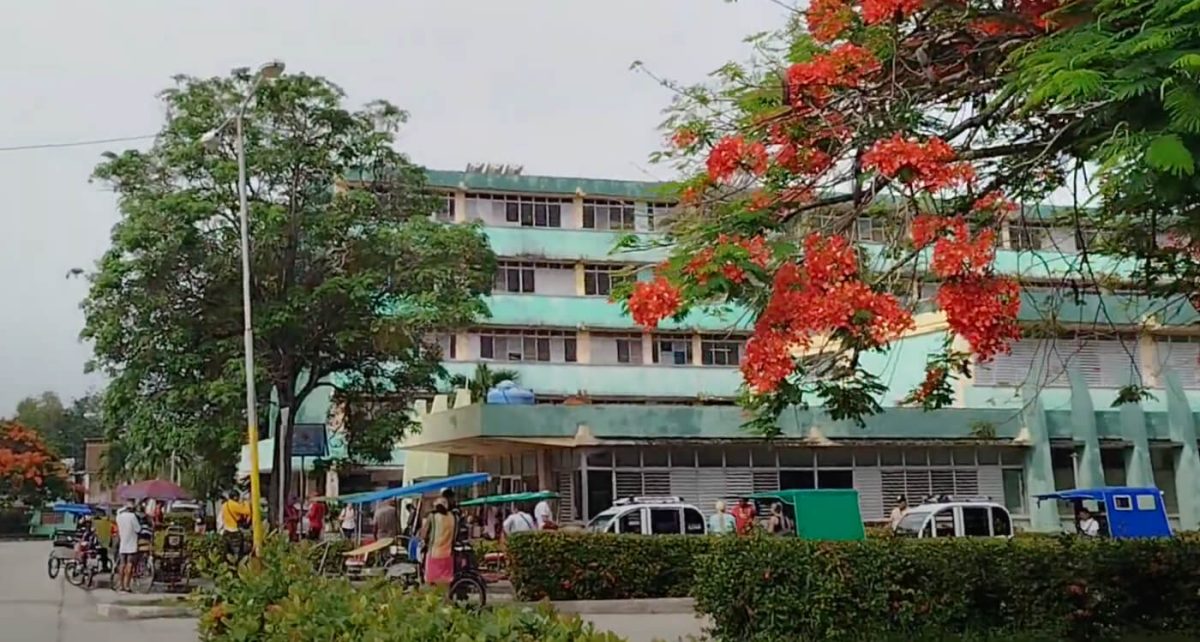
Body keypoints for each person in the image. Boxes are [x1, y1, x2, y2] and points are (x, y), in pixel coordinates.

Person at [419, 497, 456, 586]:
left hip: (434, 554)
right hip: (448, 554)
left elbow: (424, 533)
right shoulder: (452, 517)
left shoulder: (433, 517)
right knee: (445, 582)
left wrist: (423, 537)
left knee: (431, 581)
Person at [115, 499, 141, 592]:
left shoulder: (119, 517)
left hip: (123, 543)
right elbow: (138, 529)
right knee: (129, 564)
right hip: (131, 544)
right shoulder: (132, 517)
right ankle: (127, 585)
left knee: (122, 564)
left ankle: (120, 584)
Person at [220, 492, 251, 559]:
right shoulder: (234, 505)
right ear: (235, 497)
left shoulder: (224, 505)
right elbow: (247, 511)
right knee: (238, 553)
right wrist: (246, 502)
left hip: (226, 531)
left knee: (227, 552)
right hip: (234, 531)